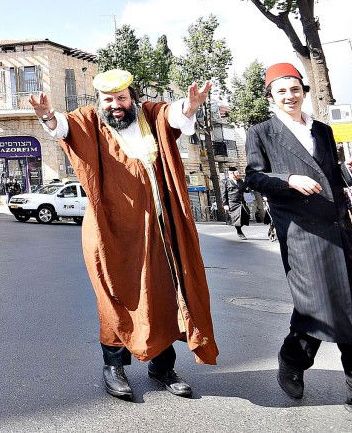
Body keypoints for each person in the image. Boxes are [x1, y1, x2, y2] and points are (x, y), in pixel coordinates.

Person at [31, 69, 217, 401]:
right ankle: (113, 367)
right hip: (110, 231)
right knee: (114, 298)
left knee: (161, 294)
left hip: (158, 232)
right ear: (99, 102)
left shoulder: (150, 115)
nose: (116, 105)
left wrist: (189, 107)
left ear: (132, 98)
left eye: (122, 98)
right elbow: (64, 127)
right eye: (109, 99)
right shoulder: (90, 121)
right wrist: (47, 116)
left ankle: (162, 368)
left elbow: (173, 115)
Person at [244, 63, 352, 433]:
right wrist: (288, 179)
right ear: (271, 97)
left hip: (336, 225)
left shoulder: (323, 131)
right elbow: (254, 176)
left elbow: (330, 177)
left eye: (295, 89)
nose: (290, 96)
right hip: (299, 231)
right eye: (281, 91)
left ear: (303, 91)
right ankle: (292, 357)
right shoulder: (261, 132)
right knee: (316, 305)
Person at [222, 167, 249, 240]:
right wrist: (225, 204)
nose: (238, 174)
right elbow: (224, 194)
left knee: (245, 215)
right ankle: (239, 232)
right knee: (237, 219)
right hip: (232, 203)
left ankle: (239, 228)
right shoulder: (225, 181)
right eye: (237, 173)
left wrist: (248, 186)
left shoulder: (240, 181)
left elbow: (245, 190)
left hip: (241, 202)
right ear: (231, 173)